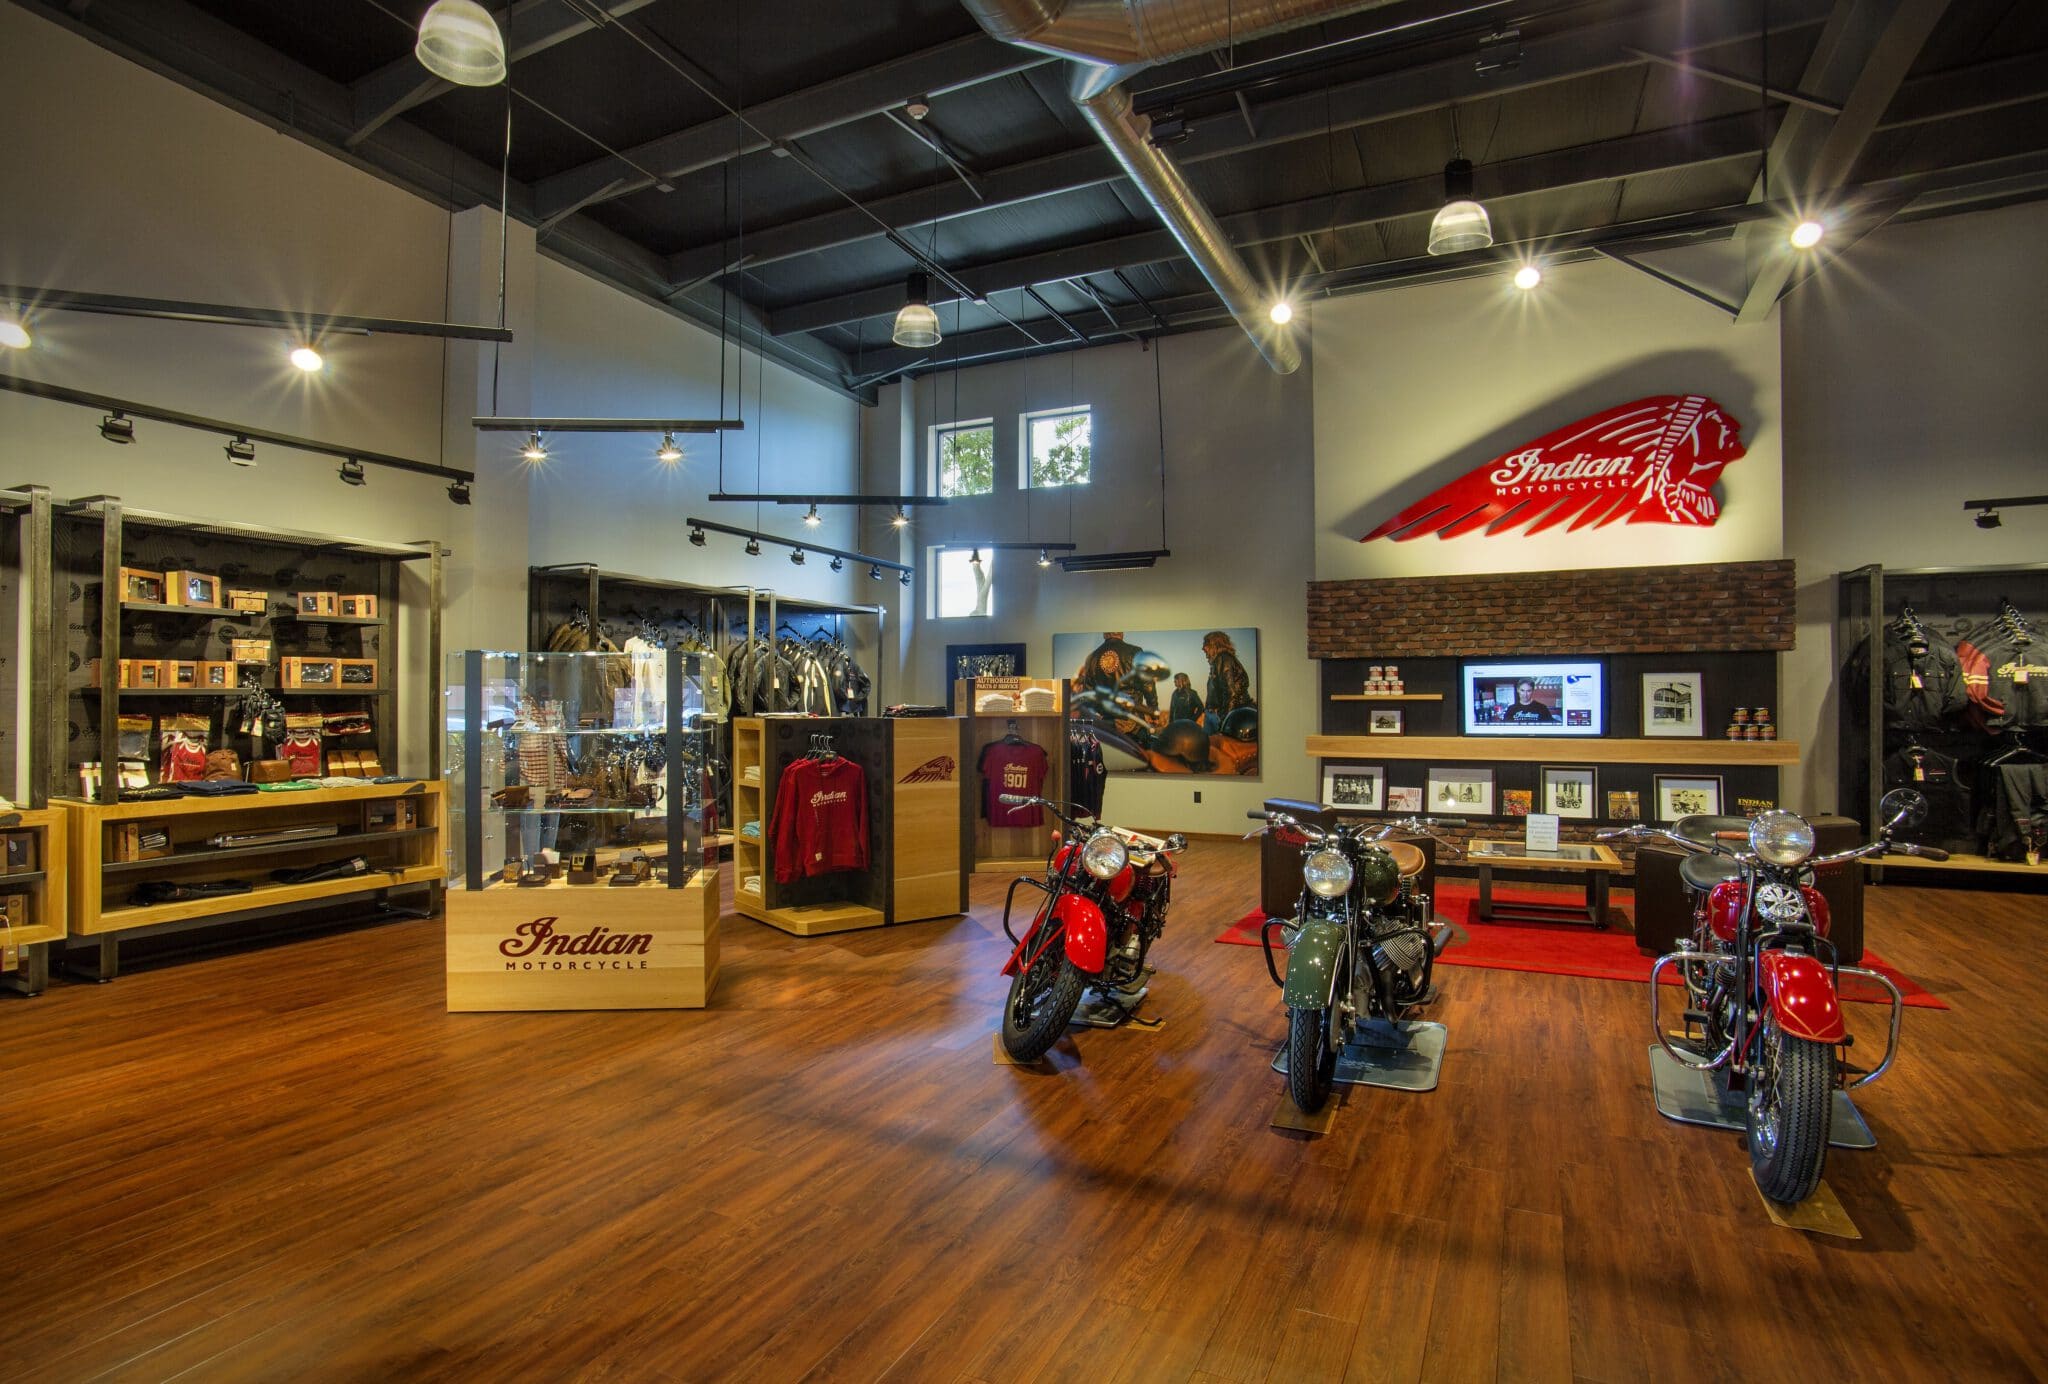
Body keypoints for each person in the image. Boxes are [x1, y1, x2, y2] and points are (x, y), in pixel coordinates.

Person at [1202, 631, 1254, 729]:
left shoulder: (1223, 659)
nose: (1203, 648)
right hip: (1215, 714)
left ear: (1214, 645)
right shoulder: (1218, 661)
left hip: (1222, 715)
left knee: (1217, 744)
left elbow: (1230, 693)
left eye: (1205, 644)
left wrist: (1225, 719)